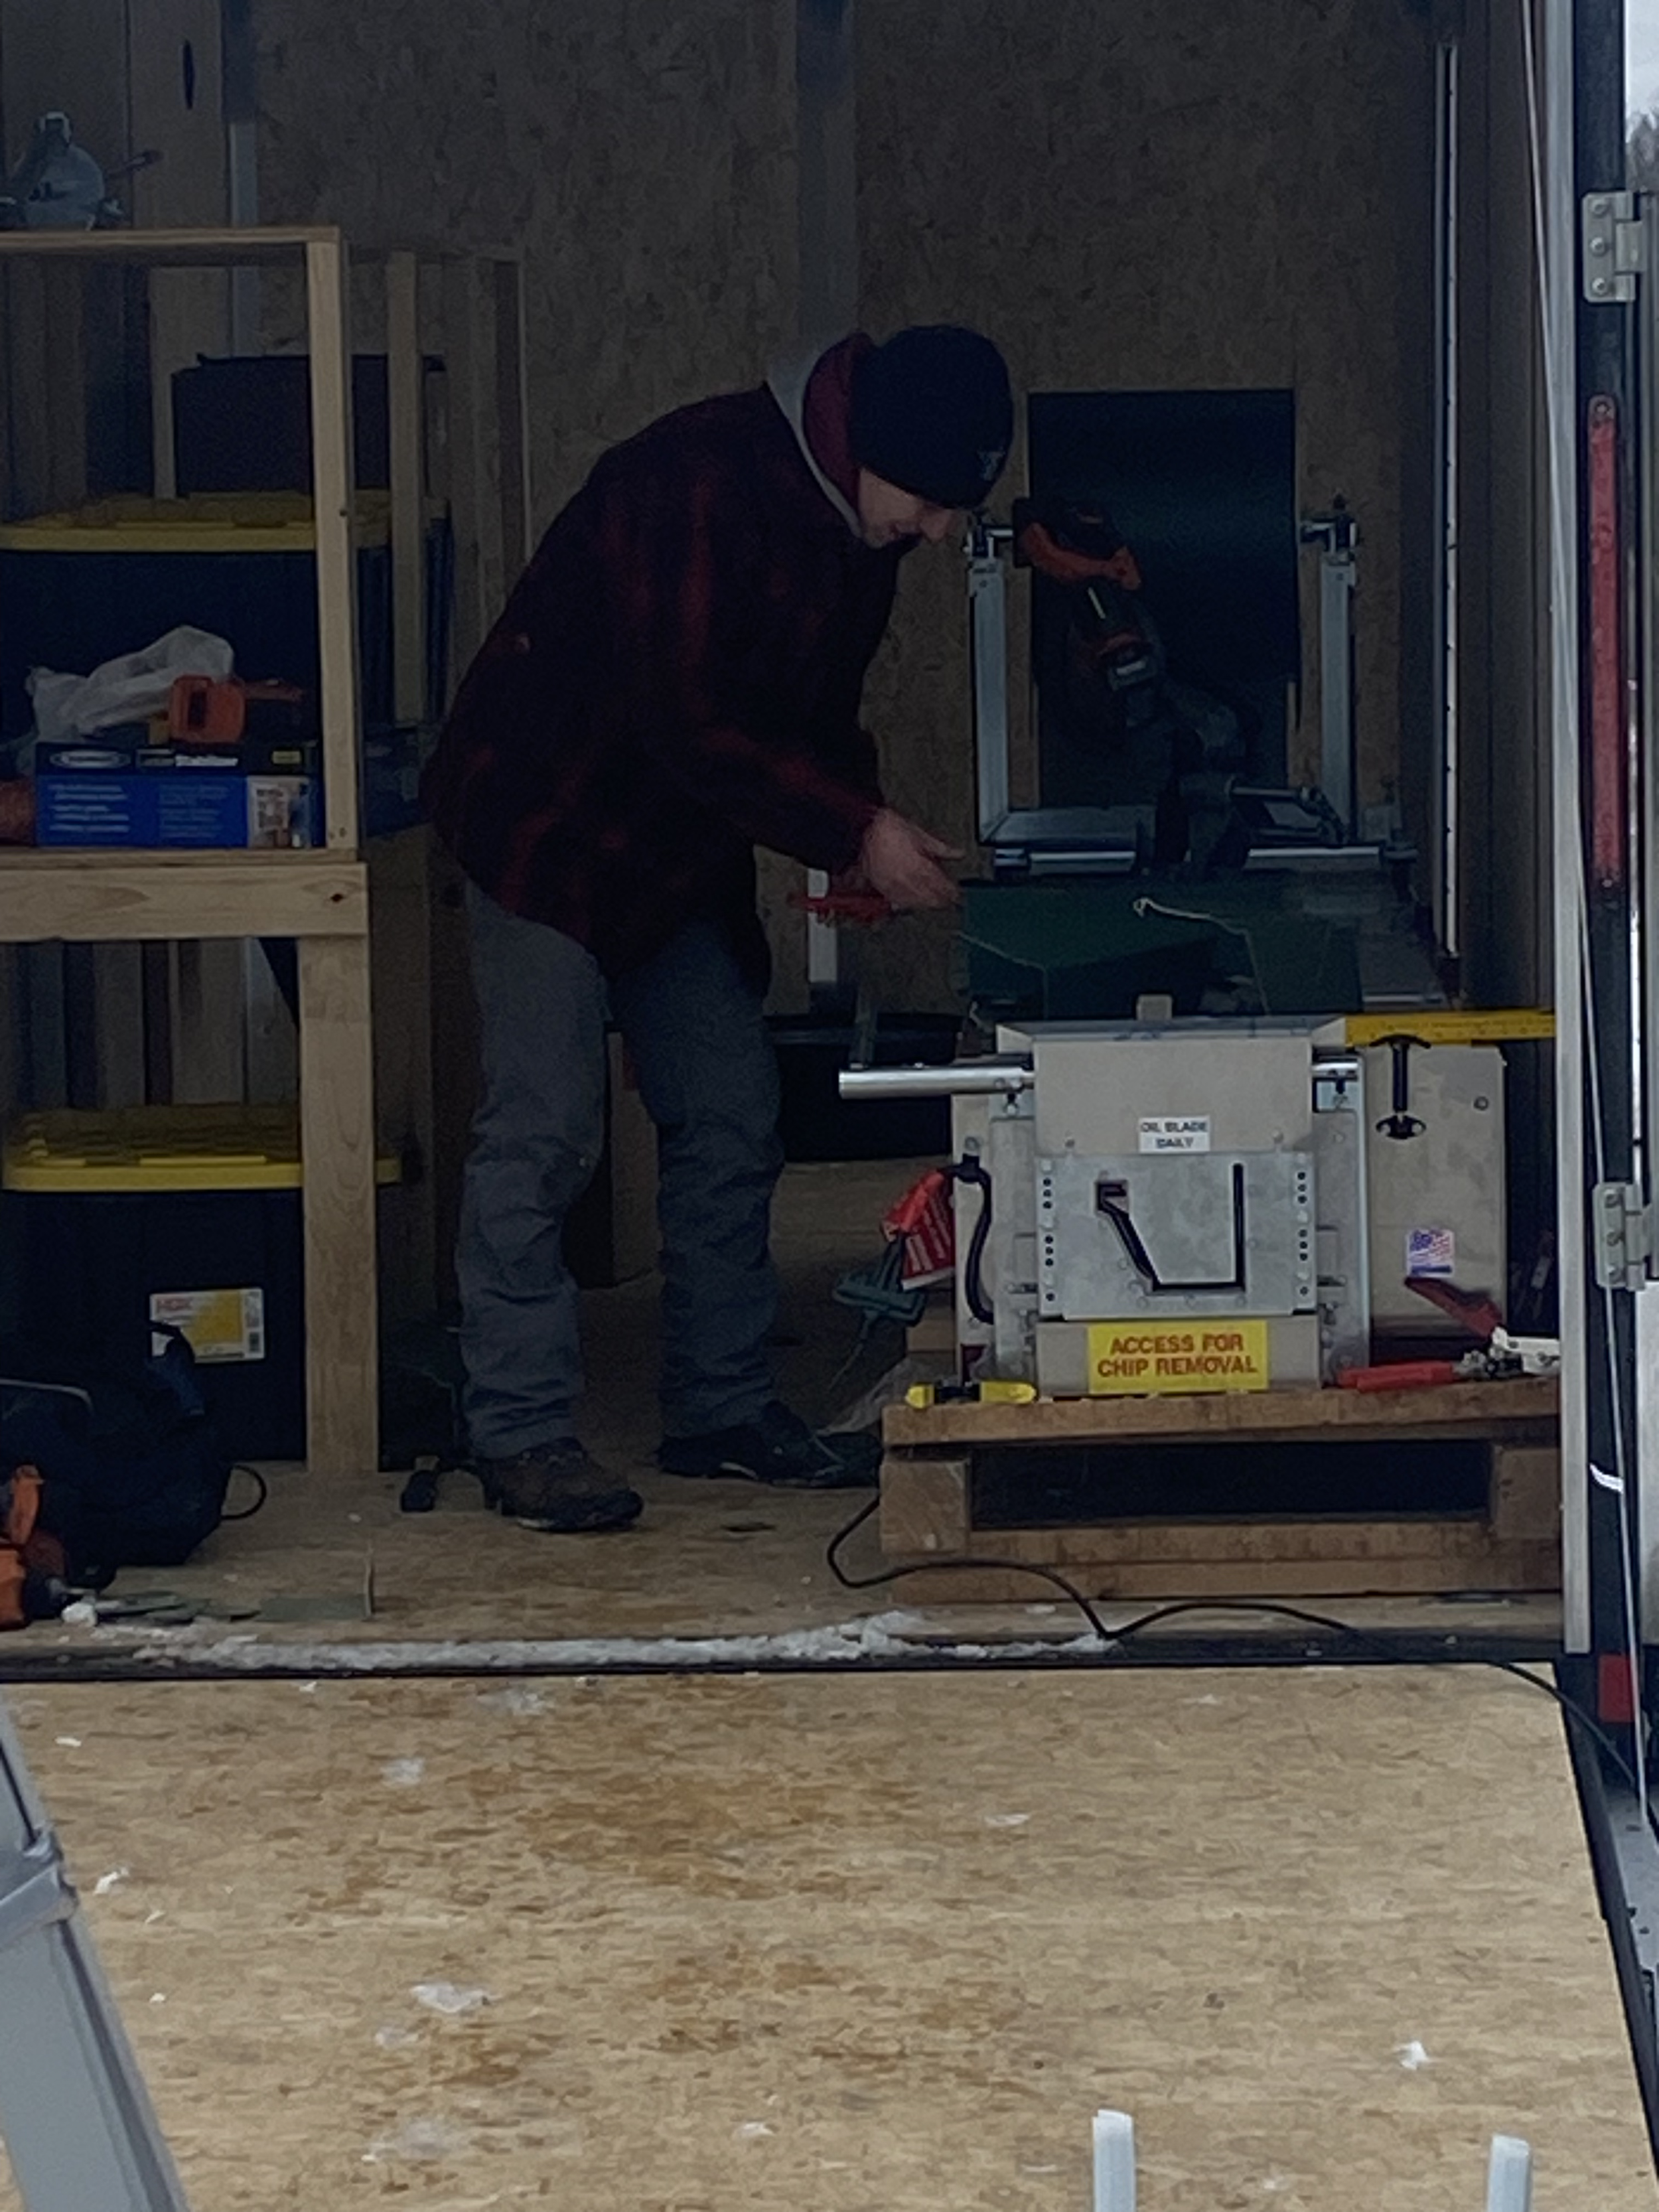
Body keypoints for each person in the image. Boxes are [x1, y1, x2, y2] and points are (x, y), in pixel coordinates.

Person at [422, 324, 1013, 1533]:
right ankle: (522, 1432)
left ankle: (721, 1410)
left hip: (672, 850)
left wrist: (860, 819)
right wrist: (851, 831)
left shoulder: (864, 523)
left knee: (732, 1107)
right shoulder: (689, 484)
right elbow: (682, 718)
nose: (941, 532)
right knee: (542, 1132)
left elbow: (809, 714)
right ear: (869, 450)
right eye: (936, 503)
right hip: (543, 828)